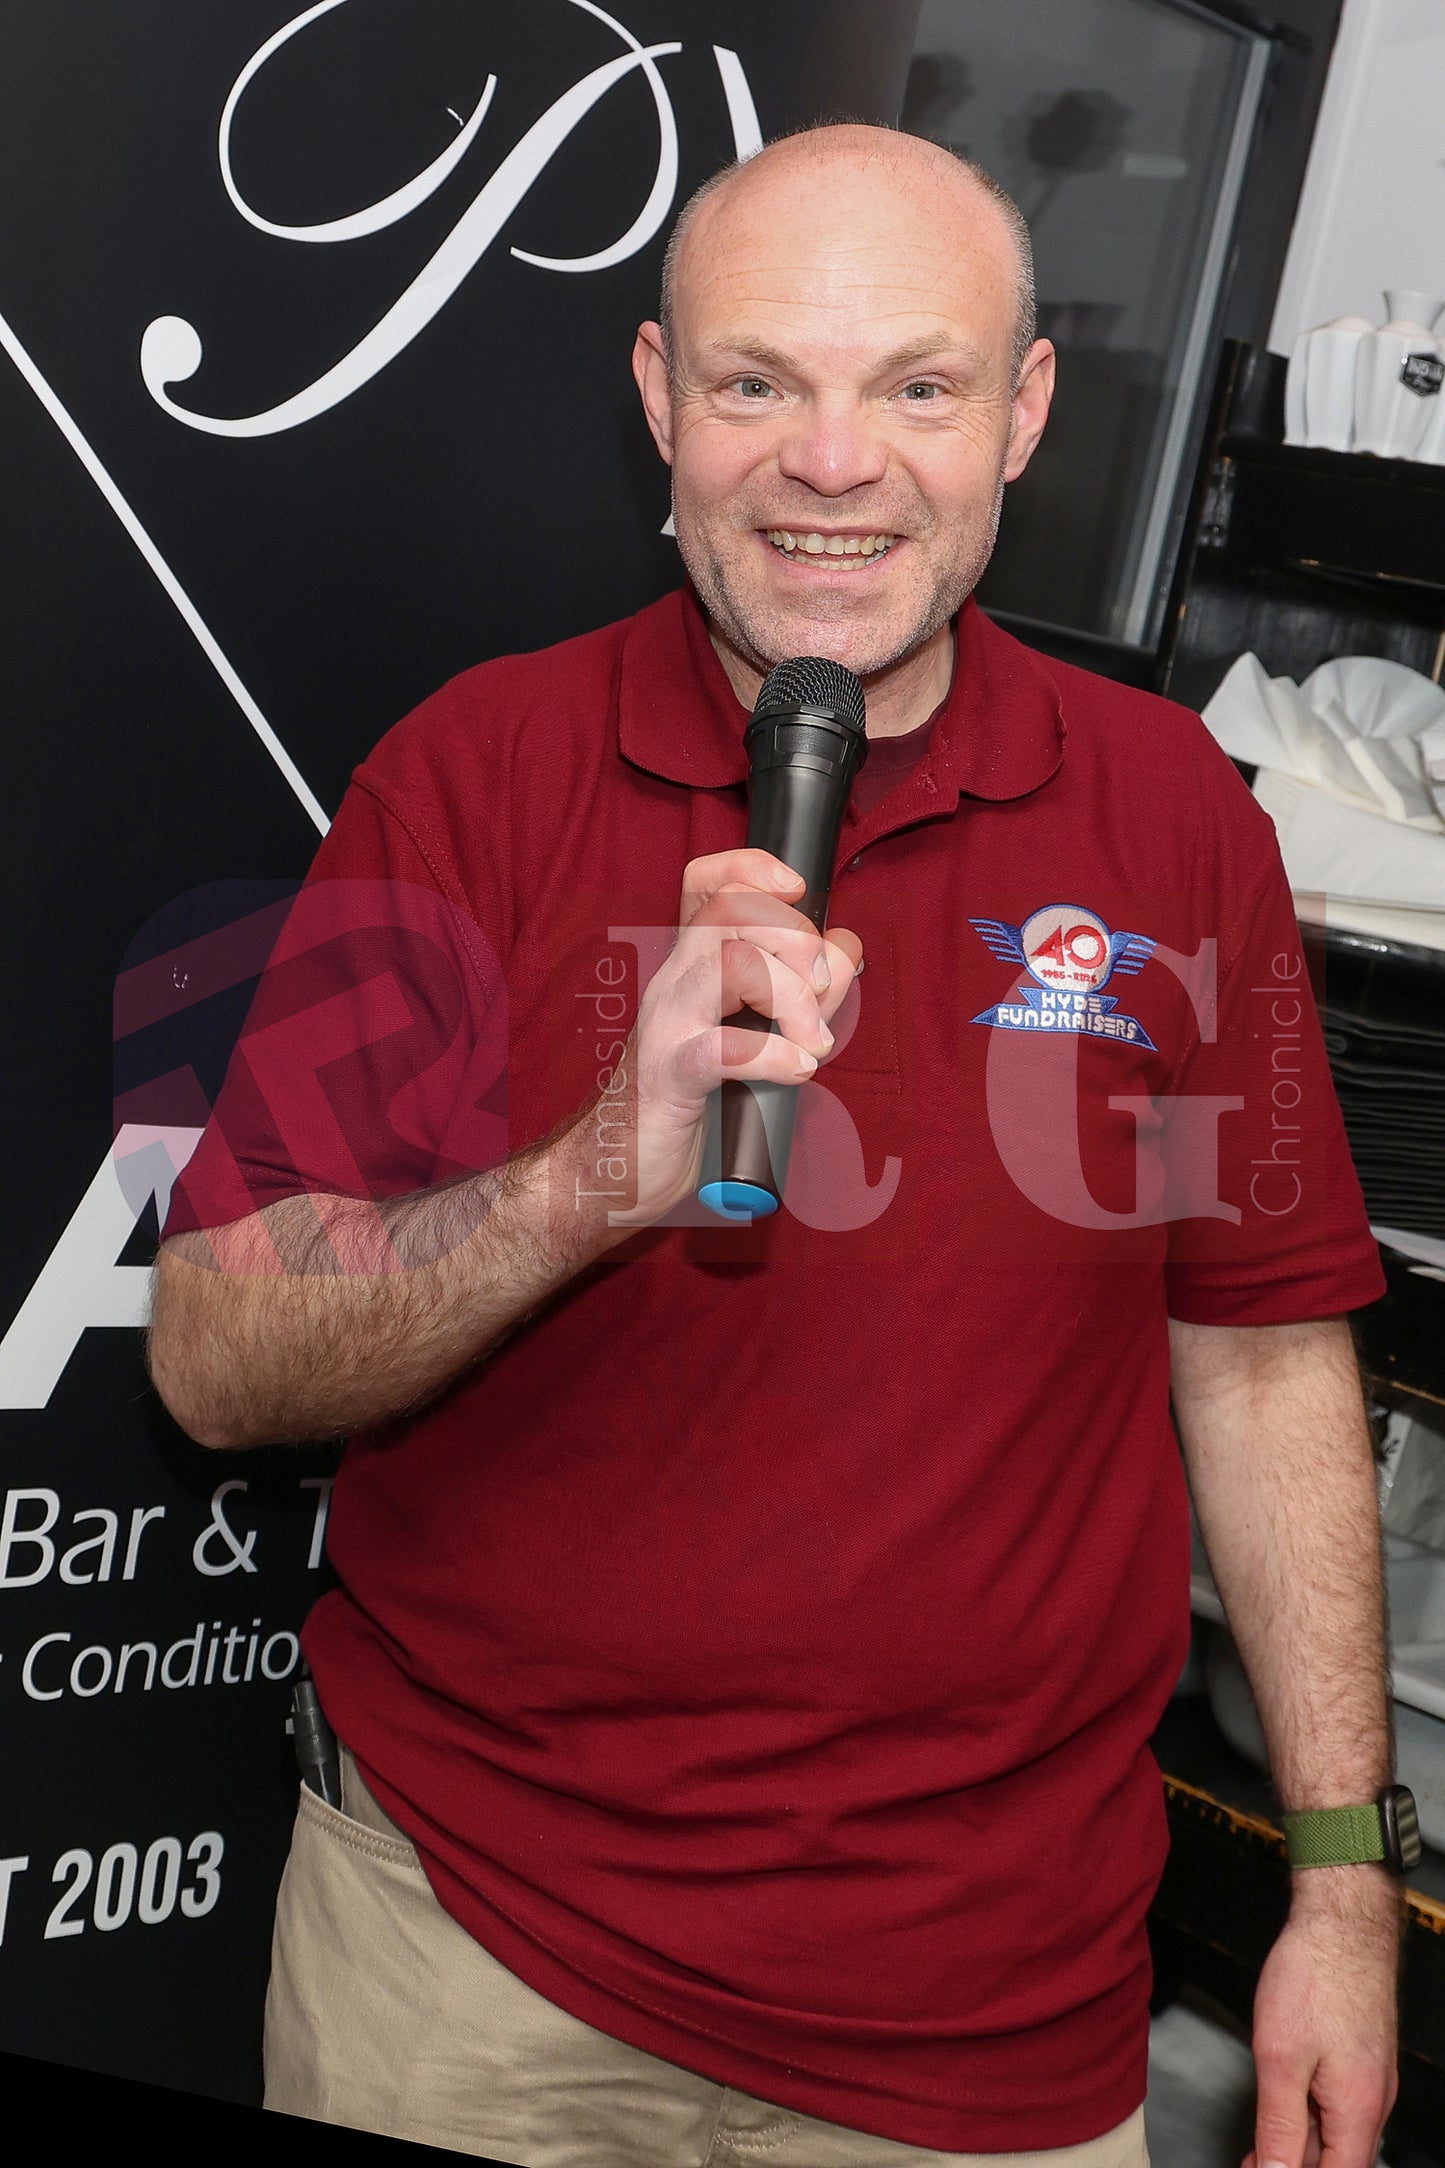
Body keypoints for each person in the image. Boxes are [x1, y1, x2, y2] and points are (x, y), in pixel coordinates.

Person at [148, 125, 1400, 2168]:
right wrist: (588, 1178)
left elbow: (1260, 1356)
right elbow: (215, 1355)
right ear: (660, 398)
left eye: (916, 385)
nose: (834, 465)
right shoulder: (471, 774)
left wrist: (1343, 1885)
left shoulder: (1176, 813)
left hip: (991, 2029)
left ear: (1023, 413)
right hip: (469, 1975)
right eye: (757, 382)